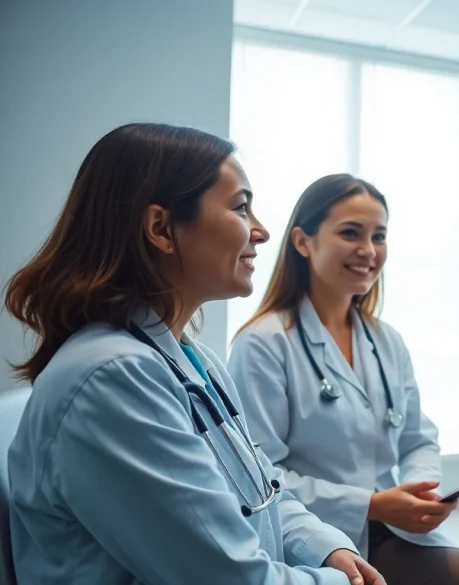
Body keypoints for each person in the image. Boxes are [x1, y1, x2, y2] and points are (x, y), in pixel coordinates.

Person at [4, 124, 384, 585]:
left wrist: (325, 549)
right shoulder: (113, 378)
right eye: (241, 206)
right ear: (161, 229)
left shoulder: (192, 360)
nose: (262, 232)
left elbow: (263, 487)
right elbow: (229, 579)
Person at [226, 174, 459, 585]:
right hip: (311, 540)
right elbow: (260, 478)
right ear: (303, 242)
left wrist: (419, 490)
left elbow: (417, 438)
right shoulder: (263, 344)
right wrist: (371, 505)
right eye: (350, 233)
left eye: (379, 236)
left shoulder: (385, 340)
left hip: (387, 530)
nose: (368, 250)